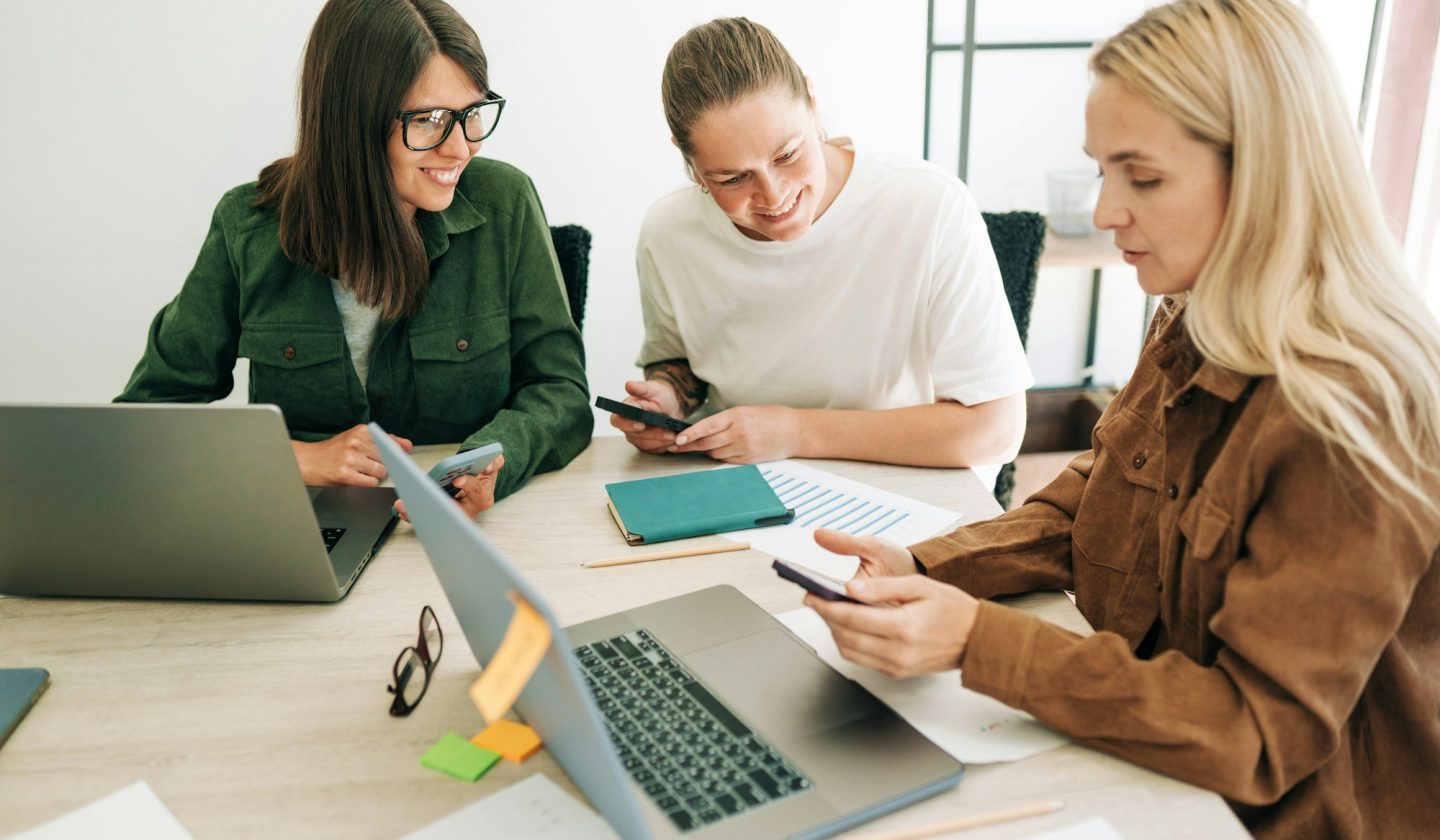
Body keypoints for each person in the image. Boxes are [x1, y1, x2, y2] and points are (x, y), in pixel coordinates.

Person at [803, 1, 1440, 837]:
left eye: (1142, 177)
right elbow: (1100, 496)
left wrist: (980, 644)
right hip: (1153, 767)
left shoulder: (1350, 407)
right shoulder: (1199, 310)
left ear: (1263, 176)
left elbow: (1256, 736)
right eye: (1102, 170)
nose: (1105, 212)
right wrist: (925, 566)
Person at [116, 0, 591, 517]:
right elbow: (147, 419)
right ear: (352, 122)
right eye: (430, 119)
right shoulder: (246, 227)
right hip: (300, 527)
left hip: (456, 532)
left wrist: (488, 463)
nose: (460, 148)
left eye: (471, 114)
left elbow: (560, 394)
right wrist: (294, 458)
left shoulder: (506, 202)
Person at [612, 17, 1032, 480]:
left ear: (812, 102)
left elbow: (997, 430)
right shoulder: (669, 232)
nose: (773, 197)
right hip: (743, 482)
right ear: (690, 163)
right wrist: (667, 399)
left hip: (908, 483)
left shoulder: (928, 206)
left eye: (788, 154)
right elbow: (679, 362)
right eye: (733, 178)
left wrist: (795, 431)